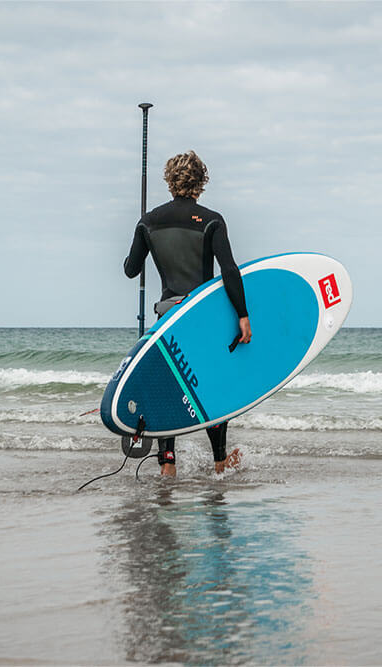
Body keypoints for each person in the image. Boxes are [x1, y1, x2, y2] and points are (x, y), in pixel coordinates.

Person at [123, 151, 251, 477]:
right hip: (200, 317)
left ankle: (168, 467)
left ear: (169, 181)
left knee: (169, 388)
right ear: (201, 182)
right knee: (210, 388)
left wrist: (144, 231)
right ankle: (220, 463)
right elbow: (229, 270)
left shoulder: (148, 221)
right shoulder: (211, 220)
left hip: (167, 318)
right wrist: (242, 315)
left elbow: (130, 269)